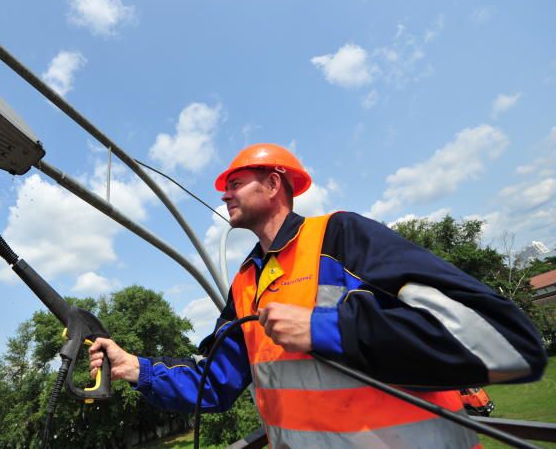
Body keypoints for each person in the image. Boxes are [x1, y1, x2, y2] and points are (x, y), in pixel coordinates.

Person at [89, 143, 547, 448]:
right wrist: (135, 369)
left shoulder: (342, 237)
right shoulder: (246, 282)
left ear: (272, 184)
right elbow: (215, 385)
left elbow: (505, 339)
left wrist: (321, 328)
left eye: (235, 182)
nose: (224, 193)